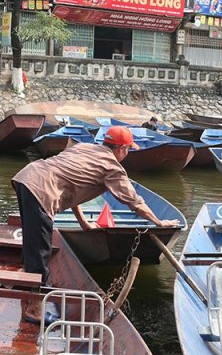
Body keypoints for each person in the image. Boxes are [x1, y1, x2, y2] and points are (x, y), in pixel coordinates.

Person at [11, 126, 179, 323]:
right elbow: (134, 202)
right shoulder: (113, 168)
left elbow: (72, 187)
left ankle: (25, 289)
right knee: (40, 251)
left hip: (27, 177)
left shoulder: (83, 148)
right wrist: (159, 222)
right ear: (122, 149)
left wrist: (84, 224)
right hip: (42, 189)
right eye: (128, 149)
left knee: (33, 243)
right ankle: (34, 310)